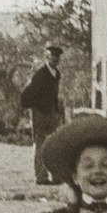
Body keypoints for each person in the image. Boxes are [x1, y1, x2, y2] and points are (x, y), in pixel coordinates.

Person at [18, 43, 66, 184]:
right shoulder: (41, 74)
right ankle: (41, 177)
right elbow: (28, 93)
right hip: (39, 113)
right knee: (40, 144)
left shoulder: (56, 74)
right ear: (47, 57)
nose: (55, 59)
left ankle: (55, 176)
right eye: (52, 56)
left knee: (53, 144)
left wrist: (57, 112)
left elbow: (54, 95)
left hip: (51, 113)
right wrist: (34, 107)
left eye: (57, 57)